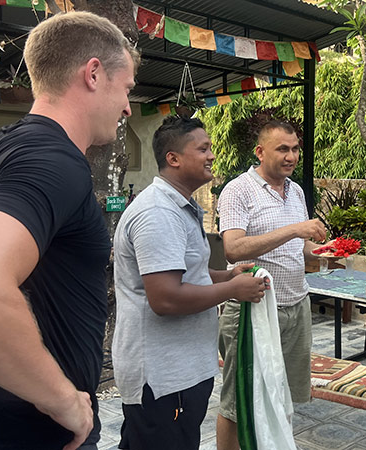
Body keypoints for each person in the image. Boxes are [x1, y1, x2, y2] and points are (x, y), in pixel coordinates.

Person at [0, 12, 137, 450]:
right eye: (126, 89)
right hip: (35, 432)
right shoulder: (52, 161)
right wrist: (63, 400)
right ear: (93, 73)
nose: (128, 107)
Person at [112, 116, 267, 450]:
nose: (212, 155)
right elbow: (165, 298)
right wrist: (232, 290)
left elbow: (182, 273)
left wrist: (226, 276)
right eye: (203, 148)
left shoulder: (178, 207)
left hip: (181, 371)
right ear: (174, 158)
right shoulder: (158, 213)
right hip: (163, 377)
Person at [216, 120, 327, 450]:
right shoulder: (238, 190)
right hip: (253, 308)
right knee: (239, 401)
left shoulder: (296, 191)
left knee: (285, 395)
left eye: (294, 149)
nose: (291, 156)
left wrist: (322, 253)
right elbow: (233, 248)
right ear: (260, 152)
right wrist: (295, 230)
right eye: (282, 149)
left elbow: (301, 248)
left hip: (296, 305)